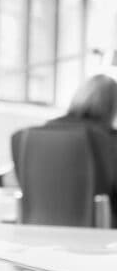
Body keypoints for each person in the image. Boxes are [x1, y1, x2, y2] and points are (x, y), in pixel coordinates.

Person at [39, 73, 117, 219]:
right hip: (99, 228)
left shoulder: (40, 134)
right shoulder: (109, 139)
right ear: (113, 106)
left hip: (38, 225)